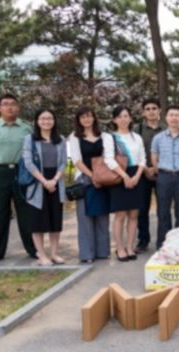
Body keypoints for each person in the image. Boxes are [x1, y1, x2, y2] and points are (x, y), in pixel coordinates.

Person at [0, 93, 37, 263]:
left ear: (18, 107)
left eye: (13, 104)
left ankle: (33, 248)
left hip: (22, 172)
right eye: (5, 104)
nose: (9, 107)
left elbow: (34, 150)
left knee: (26, 211)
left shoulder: (27, 128)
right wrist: (0, 161)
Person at [22, 109, 67, 266]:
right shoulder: (30, 139)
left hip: (56, 182)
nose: (46, 121)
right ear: (37, 121)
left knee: (55, 221)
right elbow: (28, 162)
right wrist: (44, 181)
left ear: (54, 121)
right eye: (43, 118)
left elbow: (63, 162)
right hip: (37, 183)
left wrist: (54, 180)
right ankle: (41, 255)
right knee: (38, 221)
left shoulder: (60, 139)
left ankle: (54, 253)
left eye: (49, 118)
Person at [68, 108, 111, 264]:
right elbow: (77, 161)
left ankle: (102, 251)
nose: (86, 119)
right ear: (78, 120)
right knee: (85, 217)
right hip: (84, 179)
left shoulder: (104, 136)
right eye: (83, 117)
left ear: (94, 118)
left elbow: (108, 157)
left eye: (89, 116)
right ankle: (87, 254)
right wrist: (92, 176)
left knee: (102, 215)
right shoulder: (75, 137)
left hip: (103, 179)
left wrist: (100, 176)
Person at [104, 106, 146, 262]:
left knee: (134, 214)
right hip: (119, 175)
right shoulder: (111, 137)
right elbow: (108, 159)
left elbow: (142, 159)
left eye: (126, 116)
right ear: (114, 120)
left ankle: (130, 246)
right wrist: (125, 177)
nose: (124, 119)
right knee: (120, 214)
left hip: (136, 175)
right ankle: (120, 248)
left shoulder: (137, 137)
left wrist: (136, 176)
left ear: (130, 118)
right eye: (120, 116)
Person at [151, 105, 179, 247]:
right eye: (171, 115)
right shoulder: (158, 138)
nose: (174, 118)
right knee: (163, 212)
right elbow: (154, 157)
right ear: (166, 118)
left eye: (177, 115)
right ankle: (163, 244)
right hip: (164, 177)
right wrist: (160, 171)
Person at [133, 97, 163, 251]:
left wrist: (156, 168)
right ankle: (143, 240)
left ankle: (163, 240)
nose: (151, 111)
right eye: (148, 109)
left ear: (159, 111)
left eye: (154, 108)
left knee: (163, 209)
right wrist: (145, 169)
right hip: (142, 173)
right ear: (143, 112)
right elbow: (134, 153)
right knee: (142, 209)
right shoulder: (136, 130)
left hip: (161, 173)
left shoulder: (166, 129)